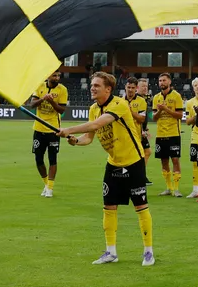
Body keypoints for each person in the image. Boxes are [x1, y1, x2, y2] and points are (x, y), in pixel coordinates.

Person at [57, 72, 154, 266]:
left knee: (140, 207)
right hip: (113, 164)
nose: (92, 88)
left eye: (97, 85)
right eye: (92, 85)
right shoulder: (93, 108)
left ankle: (148, 251)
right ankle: (111, 252)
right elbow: (89, 137)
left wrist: (69, 129)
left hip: (133, 162)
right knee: (109, 208)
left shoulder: (119, 104)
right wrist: (76, 141)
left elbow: (97, 124)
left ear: (108, 89)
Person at [29, 70, 68, 198]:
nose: (57, 78)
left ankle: (50, 188)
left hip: (53, 130)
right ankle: (46, 184)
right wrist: (43, 99)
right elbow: (32, 105)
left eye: (58, 75)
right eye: (54, 75)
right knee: (38, 159)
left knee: (52, 159)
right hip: (39, 129)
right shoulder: (39, 86)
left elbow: (61, 110)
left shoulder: (62, 90)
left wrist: (51, 101)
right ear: (48, 76)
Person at [152, 73, 184, 197]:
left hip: (173, 133)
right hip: (160, 134)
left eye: (164, 80)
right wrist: (160, 110)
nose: (162, 83)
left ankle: (176, 188)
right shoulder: (156, 98)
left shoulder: (176, 96)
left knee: (175, 160)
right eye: (160, 80)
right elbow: (154, 118)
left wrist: (166, 109)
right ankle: (168, 187)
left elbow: (180, 115)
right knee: (164, 161)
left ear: (169, 82)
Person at [185, 77, 198, 199]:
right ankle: (195, 190)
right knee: (195, 163)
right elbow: (187, 121)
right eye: (195, 85)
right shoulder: (189, 103)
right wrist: (197, 114)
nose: (197, 87)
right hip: (195, 136)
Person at [136, 78, 153, 185]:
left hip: (141, 130)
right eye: (143, 86)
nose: (145, 88)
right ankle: (140, 175)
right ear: (137, 87)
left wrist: (145, 128)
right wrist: (141, 130)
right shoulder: (136, 100)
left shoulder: (143, 99)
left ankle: (140, 175)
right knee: (144, 152)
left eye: (146, 86)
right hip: (137, 132)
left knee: (146, 152)